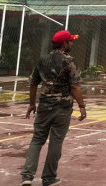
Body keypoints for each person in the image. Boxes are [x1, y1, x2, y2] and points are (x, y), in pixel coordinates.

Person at [20, 30, 86, 186]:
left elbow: (33, 83)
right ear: (64, 44)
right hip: (62, 108)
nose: (72, 43)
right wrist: (82, 106)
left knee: (37, 139)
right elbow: (75, 86)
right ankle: (49, 178)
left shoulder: (42, 60)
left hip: (44, 106)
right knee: (56, 141)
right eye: (70, 41)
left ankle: (27, 176)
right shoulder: (69, 61)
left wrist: (31, 104)